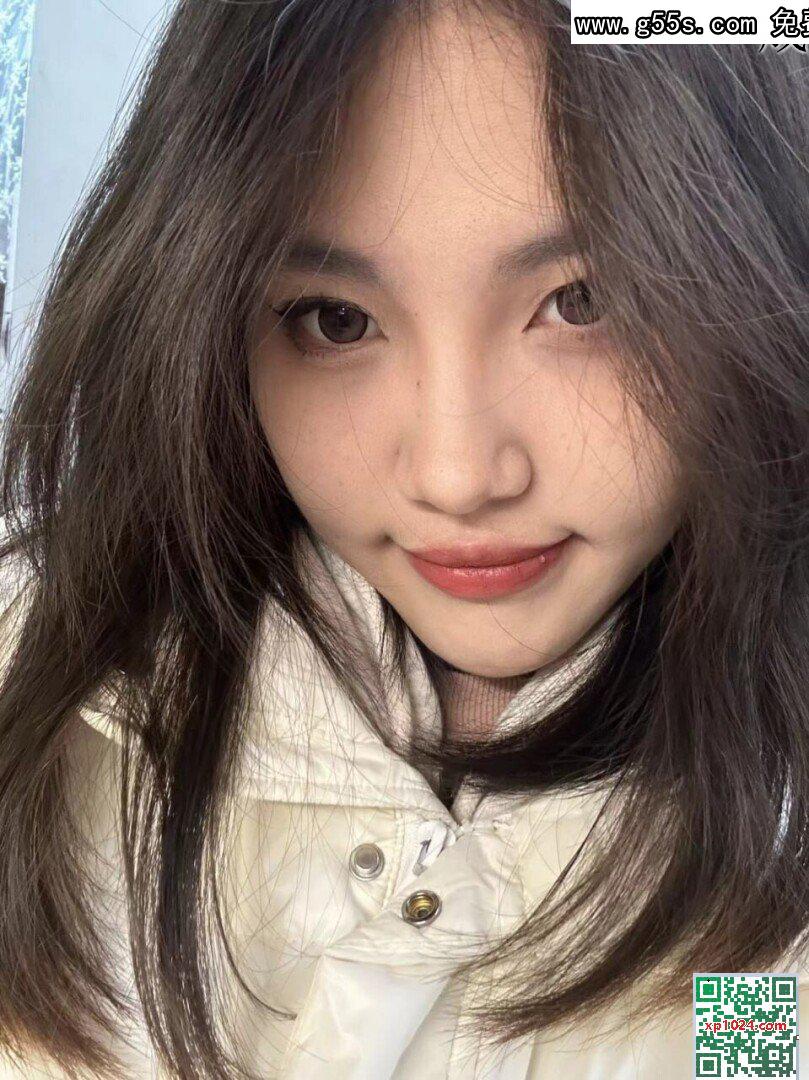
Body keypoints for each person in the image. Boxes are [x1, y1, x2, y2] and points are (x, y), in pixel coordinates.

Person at [0, 1, 807, 1076]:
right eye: (334, 320)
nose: (455, 475)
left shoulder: (769, 897)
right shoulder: (32, 668)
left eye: (585, 300)